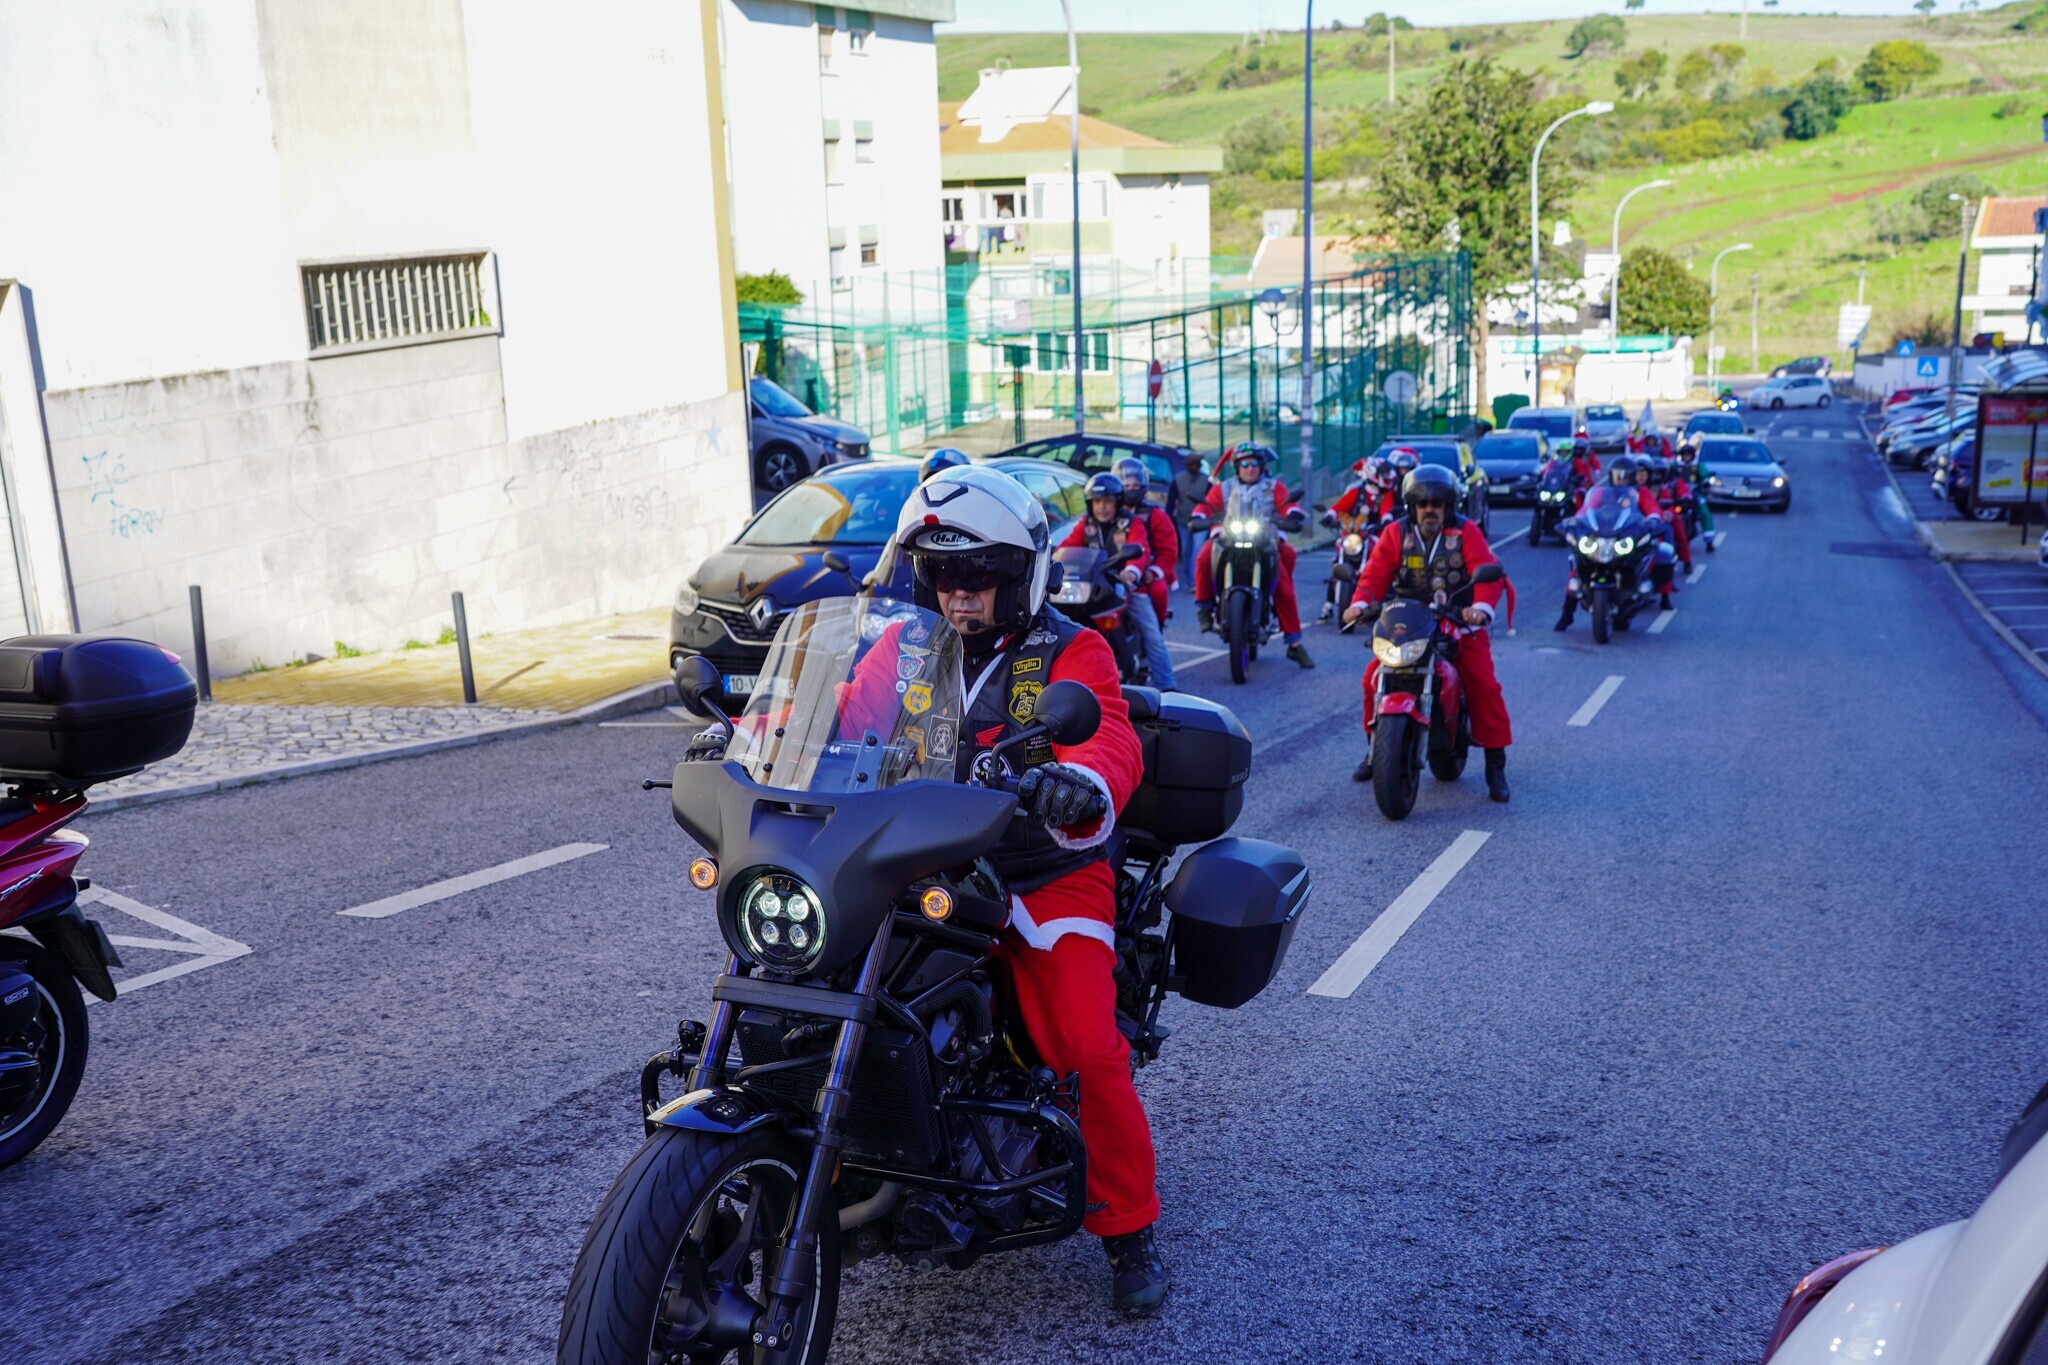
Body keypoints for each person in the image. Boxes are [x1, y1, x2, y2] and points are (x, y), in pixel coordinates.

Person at [881, 465, 1169, 1315]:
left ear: (1022, 574)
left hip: (1041, 872)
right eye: (943, 573)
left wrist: (1080, 784)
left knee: (1084, 1041)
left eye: (979, 573)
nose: (959, 592)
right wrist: (753, 739)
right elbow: (844, 714)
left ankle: (1129, 1228)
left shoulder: (1073, 652)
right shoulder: (906, 649)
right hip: (919, 864)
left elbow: (1110, 736)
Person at [1341, 465, 1513, 802]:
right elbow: (1374, 575)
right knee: (1371, 678)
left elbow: (1485, 571)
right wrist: (1359, 604)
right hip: (1407, 619)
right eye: (1422, 504)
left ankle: (1496, 765)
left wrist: (1480, 608)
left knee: (1483, 685)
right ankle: (1376, 750)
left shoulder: (1466, 532)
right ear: (1412, 507)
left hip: (1457, 619)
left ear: (1448, 506)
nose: (1429, 510)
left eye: (1437, 503)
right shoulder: (1395, 533)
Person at [1191, 443, 1314, 668]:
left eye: (1255, 463)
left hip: (1265, 542)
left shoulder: (1273, 487)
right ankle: (1204, 608)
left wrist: (1293, 515)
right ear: (1237, 467)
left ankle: (1294, 643)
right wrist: (1199, 517)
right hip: (1227, 539)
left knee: (1284, 583)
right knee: (1203, 557)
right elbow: (1205, 507)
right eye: (1245, 464)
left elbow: (1289, 506)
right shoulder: (1223, 488)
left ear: (1262, 466)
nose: (1250, 468)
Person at [1059, 472, 1176, 690]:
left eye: (1108, 501)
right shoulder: (1086, 524)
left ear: (1118, 502)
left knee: (1151, 633)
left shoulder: (1131, 523)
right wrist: (1051, 560)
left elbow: (1141, 549)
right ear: (1090, 503)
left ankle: (1167, 685)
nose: (1102, 507)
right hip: (1092, 587)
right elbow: (1067, 547)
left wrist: (1131, 572)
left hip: (1126, 586)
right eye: (1097, 501)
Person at [1169, 449, 1211, 590]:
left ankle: (1194, 582)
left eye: (1197, 464)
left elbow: (1212, 501)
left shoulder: (1206, 481)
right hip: (1183, 521)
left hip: (1201, 521)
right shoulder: (1178, 480)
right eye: (1192, 465)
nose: (1195, 467)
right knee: (1185, 550)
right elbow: (1170, 502)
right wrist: (1169, 519)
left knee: (1197, 550)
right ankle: (1187, 578)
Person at [1677, 437, 1717, 550]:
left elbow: (1705, 475)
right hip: (1678, 494)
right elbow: (1668, 475)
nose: (1687, 457)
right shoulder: (1676, 465)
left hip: (1695, 493)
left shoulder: (1698, 465)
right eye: (1685, 454)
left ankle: (1709, 540)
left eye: (1689, 454)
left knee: (1704, 511)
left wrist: (1706, 482)